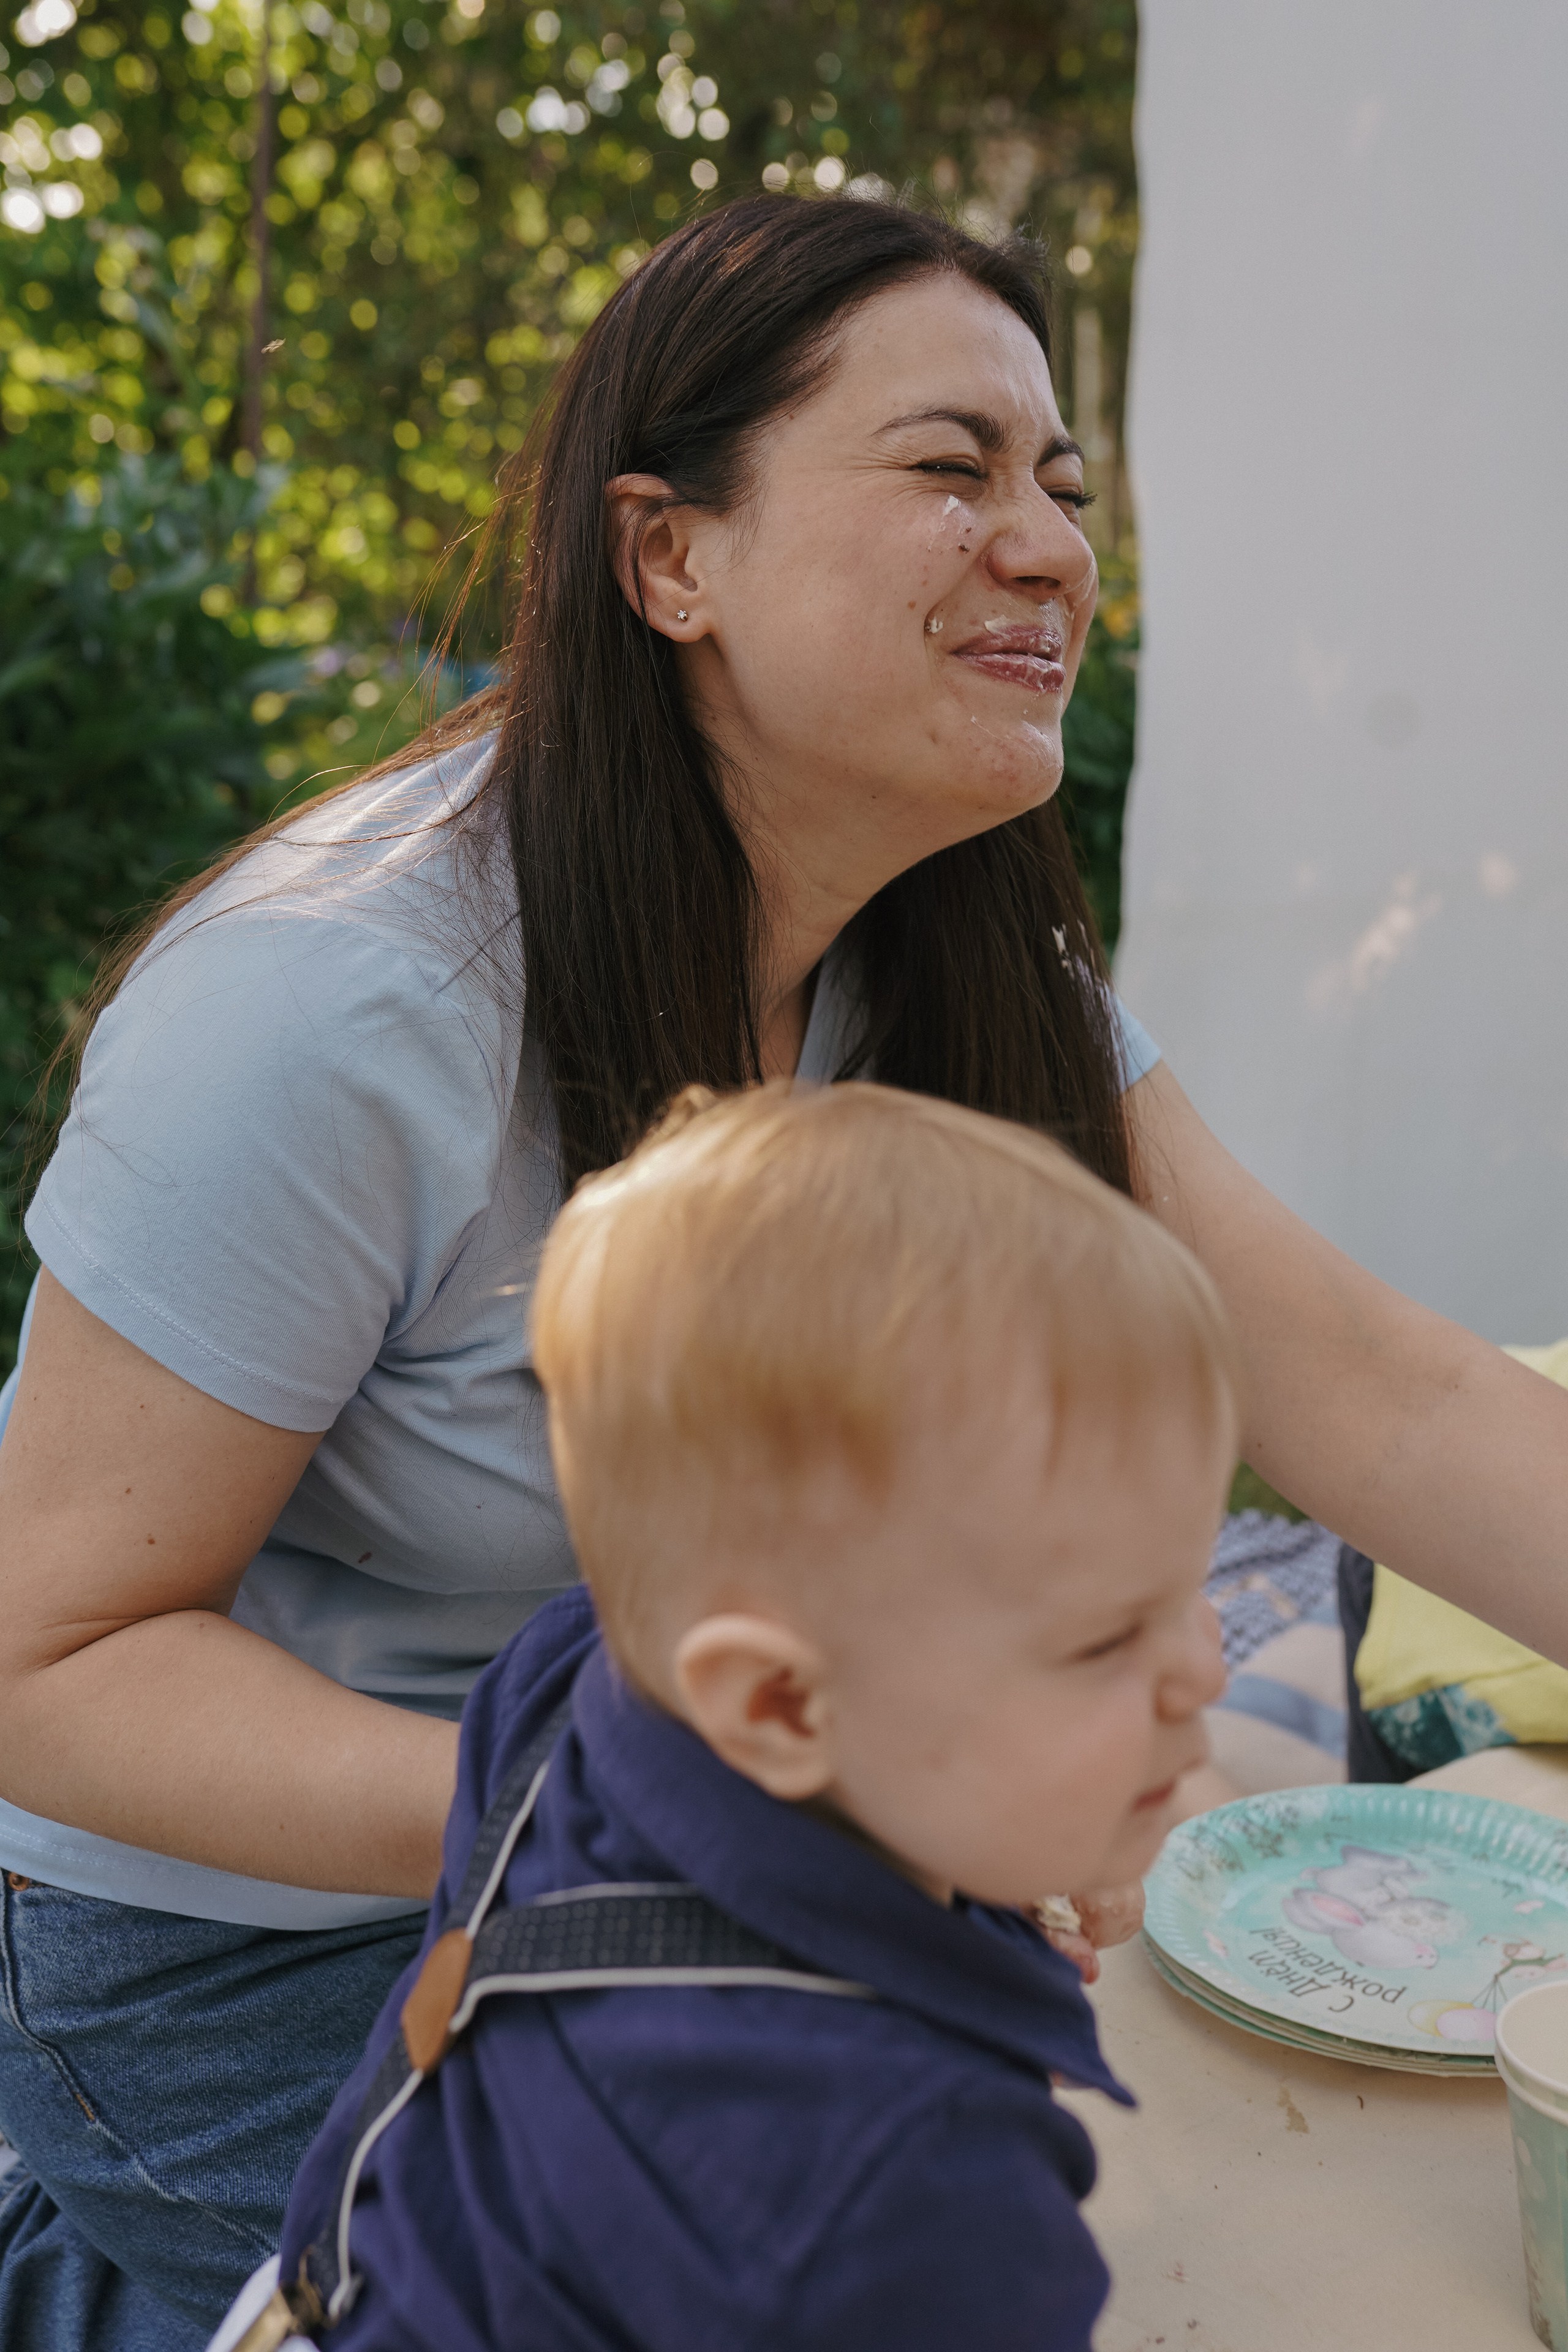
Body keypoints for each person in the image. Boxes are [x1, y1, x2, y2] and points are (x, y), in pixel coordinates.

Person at [2, 191, 1567, 2348]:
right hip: (244, 1971)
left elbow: (1377, 1394)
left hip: (736, 1849)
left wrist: (826, 1809)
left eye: (1061, 479)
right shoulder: (328, 1011)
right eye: (950, 468)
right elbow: (47, 1661)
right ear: (671, 559)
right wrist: (722, 1811)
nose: (1049, 543)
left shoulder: (965, 949)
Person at [233, 1079, 1235, 2352]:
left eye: (1185, 1585)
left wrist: (994, 1866)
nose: (1202, 1669)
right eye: (1102, 1638)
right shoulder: (912, 2193)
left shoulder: (568, 1681)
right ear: (772, 1701)